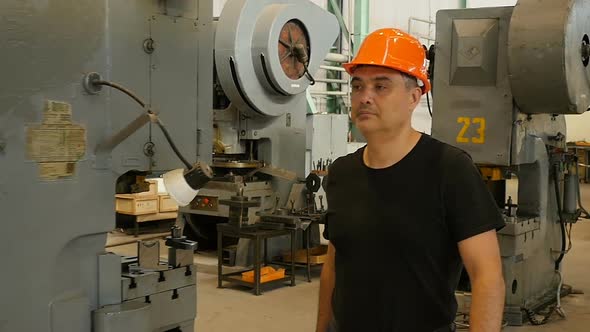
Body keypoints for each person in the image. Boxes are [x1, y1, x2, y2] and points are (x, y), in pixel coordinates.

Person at [316, 28, 506, 332]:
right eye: (358, 86)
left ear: (414, 97)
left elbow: (486, 274)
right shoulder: (342, 172)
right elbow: (333, 264)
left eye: (381, 86)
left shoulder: (450, 169)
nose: (365, 97)